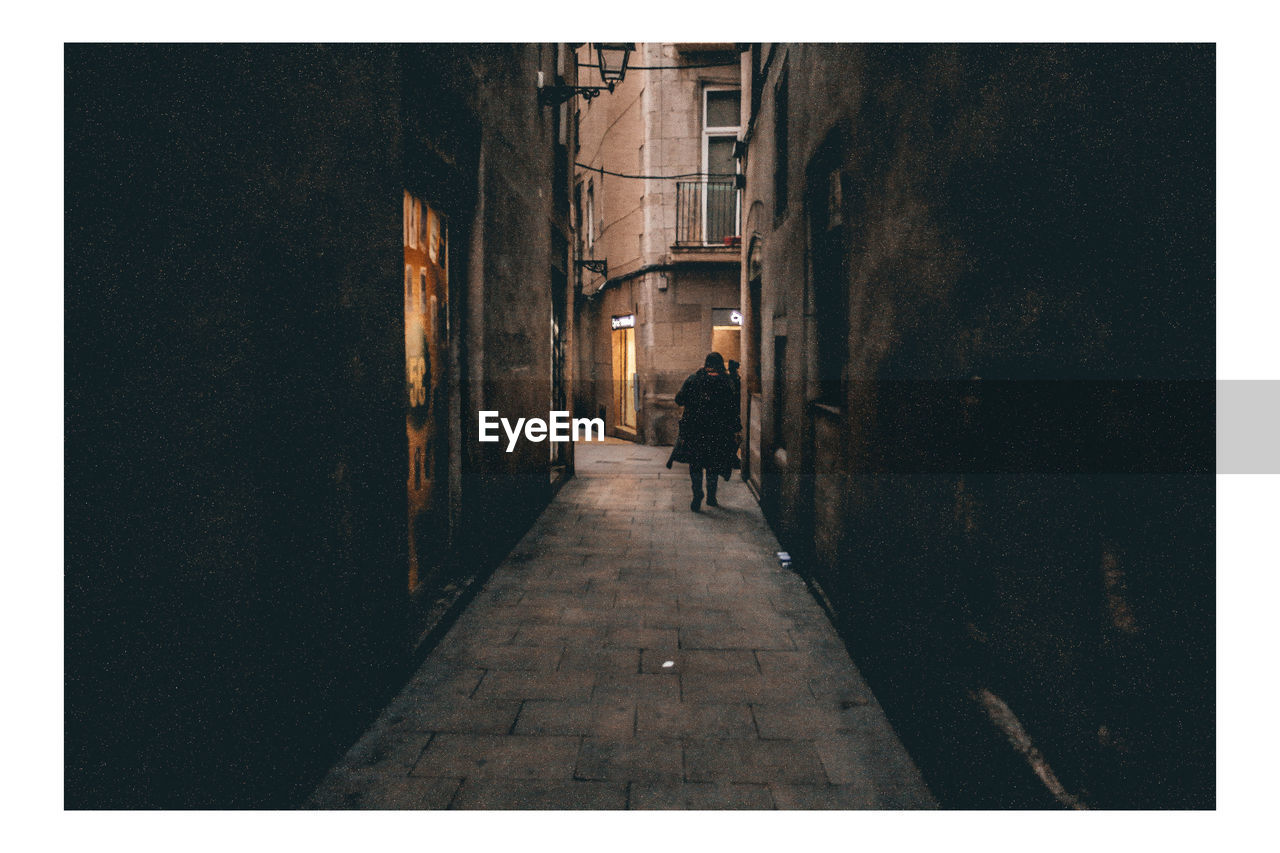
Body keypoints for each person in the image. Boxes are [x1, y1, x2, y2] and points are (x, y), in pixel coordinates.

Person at [671, 352, 740, 512]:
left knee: (695, 464)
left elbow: (679, 400)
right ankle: (711, 496)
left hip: (694, 430)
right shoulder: (726, 381)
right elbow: (733, 409)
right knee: (712, 464)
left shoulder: (694, 379)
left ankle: (697, 494)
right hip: (717, 431)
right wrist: (736, 430)